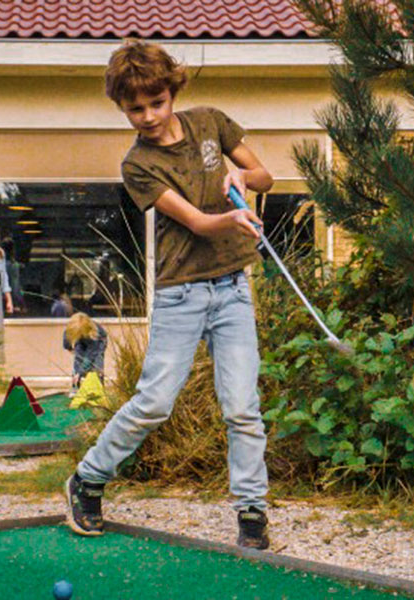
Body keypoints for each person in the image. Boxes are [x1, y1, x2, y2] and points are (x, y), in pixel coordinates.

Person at [64, 40, 274, 549]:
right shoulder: (137, 164)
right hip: (182, 293)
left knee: (242, 406)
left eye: (156, 103)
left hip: (233, 288)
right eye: (135, 108)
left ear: (171, 92)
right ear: (122, 108)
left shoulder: (210, 123)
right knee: (154, 401)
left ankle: (252, 511)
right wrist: (233, 216)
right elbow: (200, 223)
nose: (148, 116)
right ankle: (88, 479)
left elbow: (267, 175)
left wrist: (241, 175)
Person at [63, 312, 108, 393]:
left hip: (97, 343)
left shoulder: (95, 334)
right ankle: (76, 386)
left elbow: (90, 356)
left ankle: (98, 388)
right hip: (81, 340)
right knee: (78, 358)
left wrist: (81, 372)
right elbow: (67, 343)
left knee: (97, 363)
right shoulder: (70, 330)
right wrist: (77, 372)